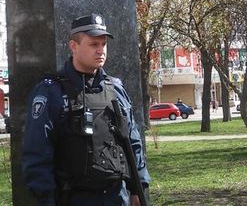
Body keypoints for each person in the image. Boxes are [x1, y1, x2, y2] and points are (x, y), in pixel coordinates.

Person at [22, 13, 151, 205]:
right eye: (93, 44)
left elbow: (132, 142)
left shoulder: (115, 89)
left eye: (103, 44)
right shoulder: (51, 92)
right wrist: (47, 200)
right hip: (74, 198)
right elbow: (37, 152)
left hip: (118, 197)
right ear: (73, 46)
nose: (101, 51)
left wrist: (139, 187)